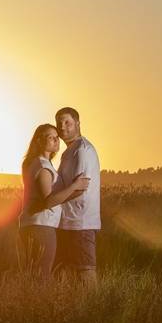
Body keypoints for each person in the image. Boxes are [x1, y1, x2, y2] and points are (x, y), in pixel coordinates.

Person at [18, 124, 90, 281]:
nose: (56, 140)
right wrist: (75, 186)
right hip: (41, 227)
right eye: (51, 137)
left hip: (31, 224)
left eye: (57, 137)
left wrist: (73, 192)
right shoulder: (43, 167)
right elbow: (49, 201)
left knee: (34, 273)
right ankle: (40, 304)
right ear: (38, 141)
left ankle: (28, 302)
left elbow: (47, 199)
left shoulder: (34, 163)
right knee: (42, 274)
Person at [53, 107, 101, 285]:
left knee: (85, 272)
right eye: (59, 123)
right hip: (68, 222)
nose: (63, 127)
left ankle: (95, 308)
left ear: (78, 123)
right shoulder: (68, 152)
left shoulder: (83, 150)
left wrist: (51, 202)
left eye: (67, 122)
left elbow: (80, 187)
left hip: (80, 222)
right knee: (67, 274)